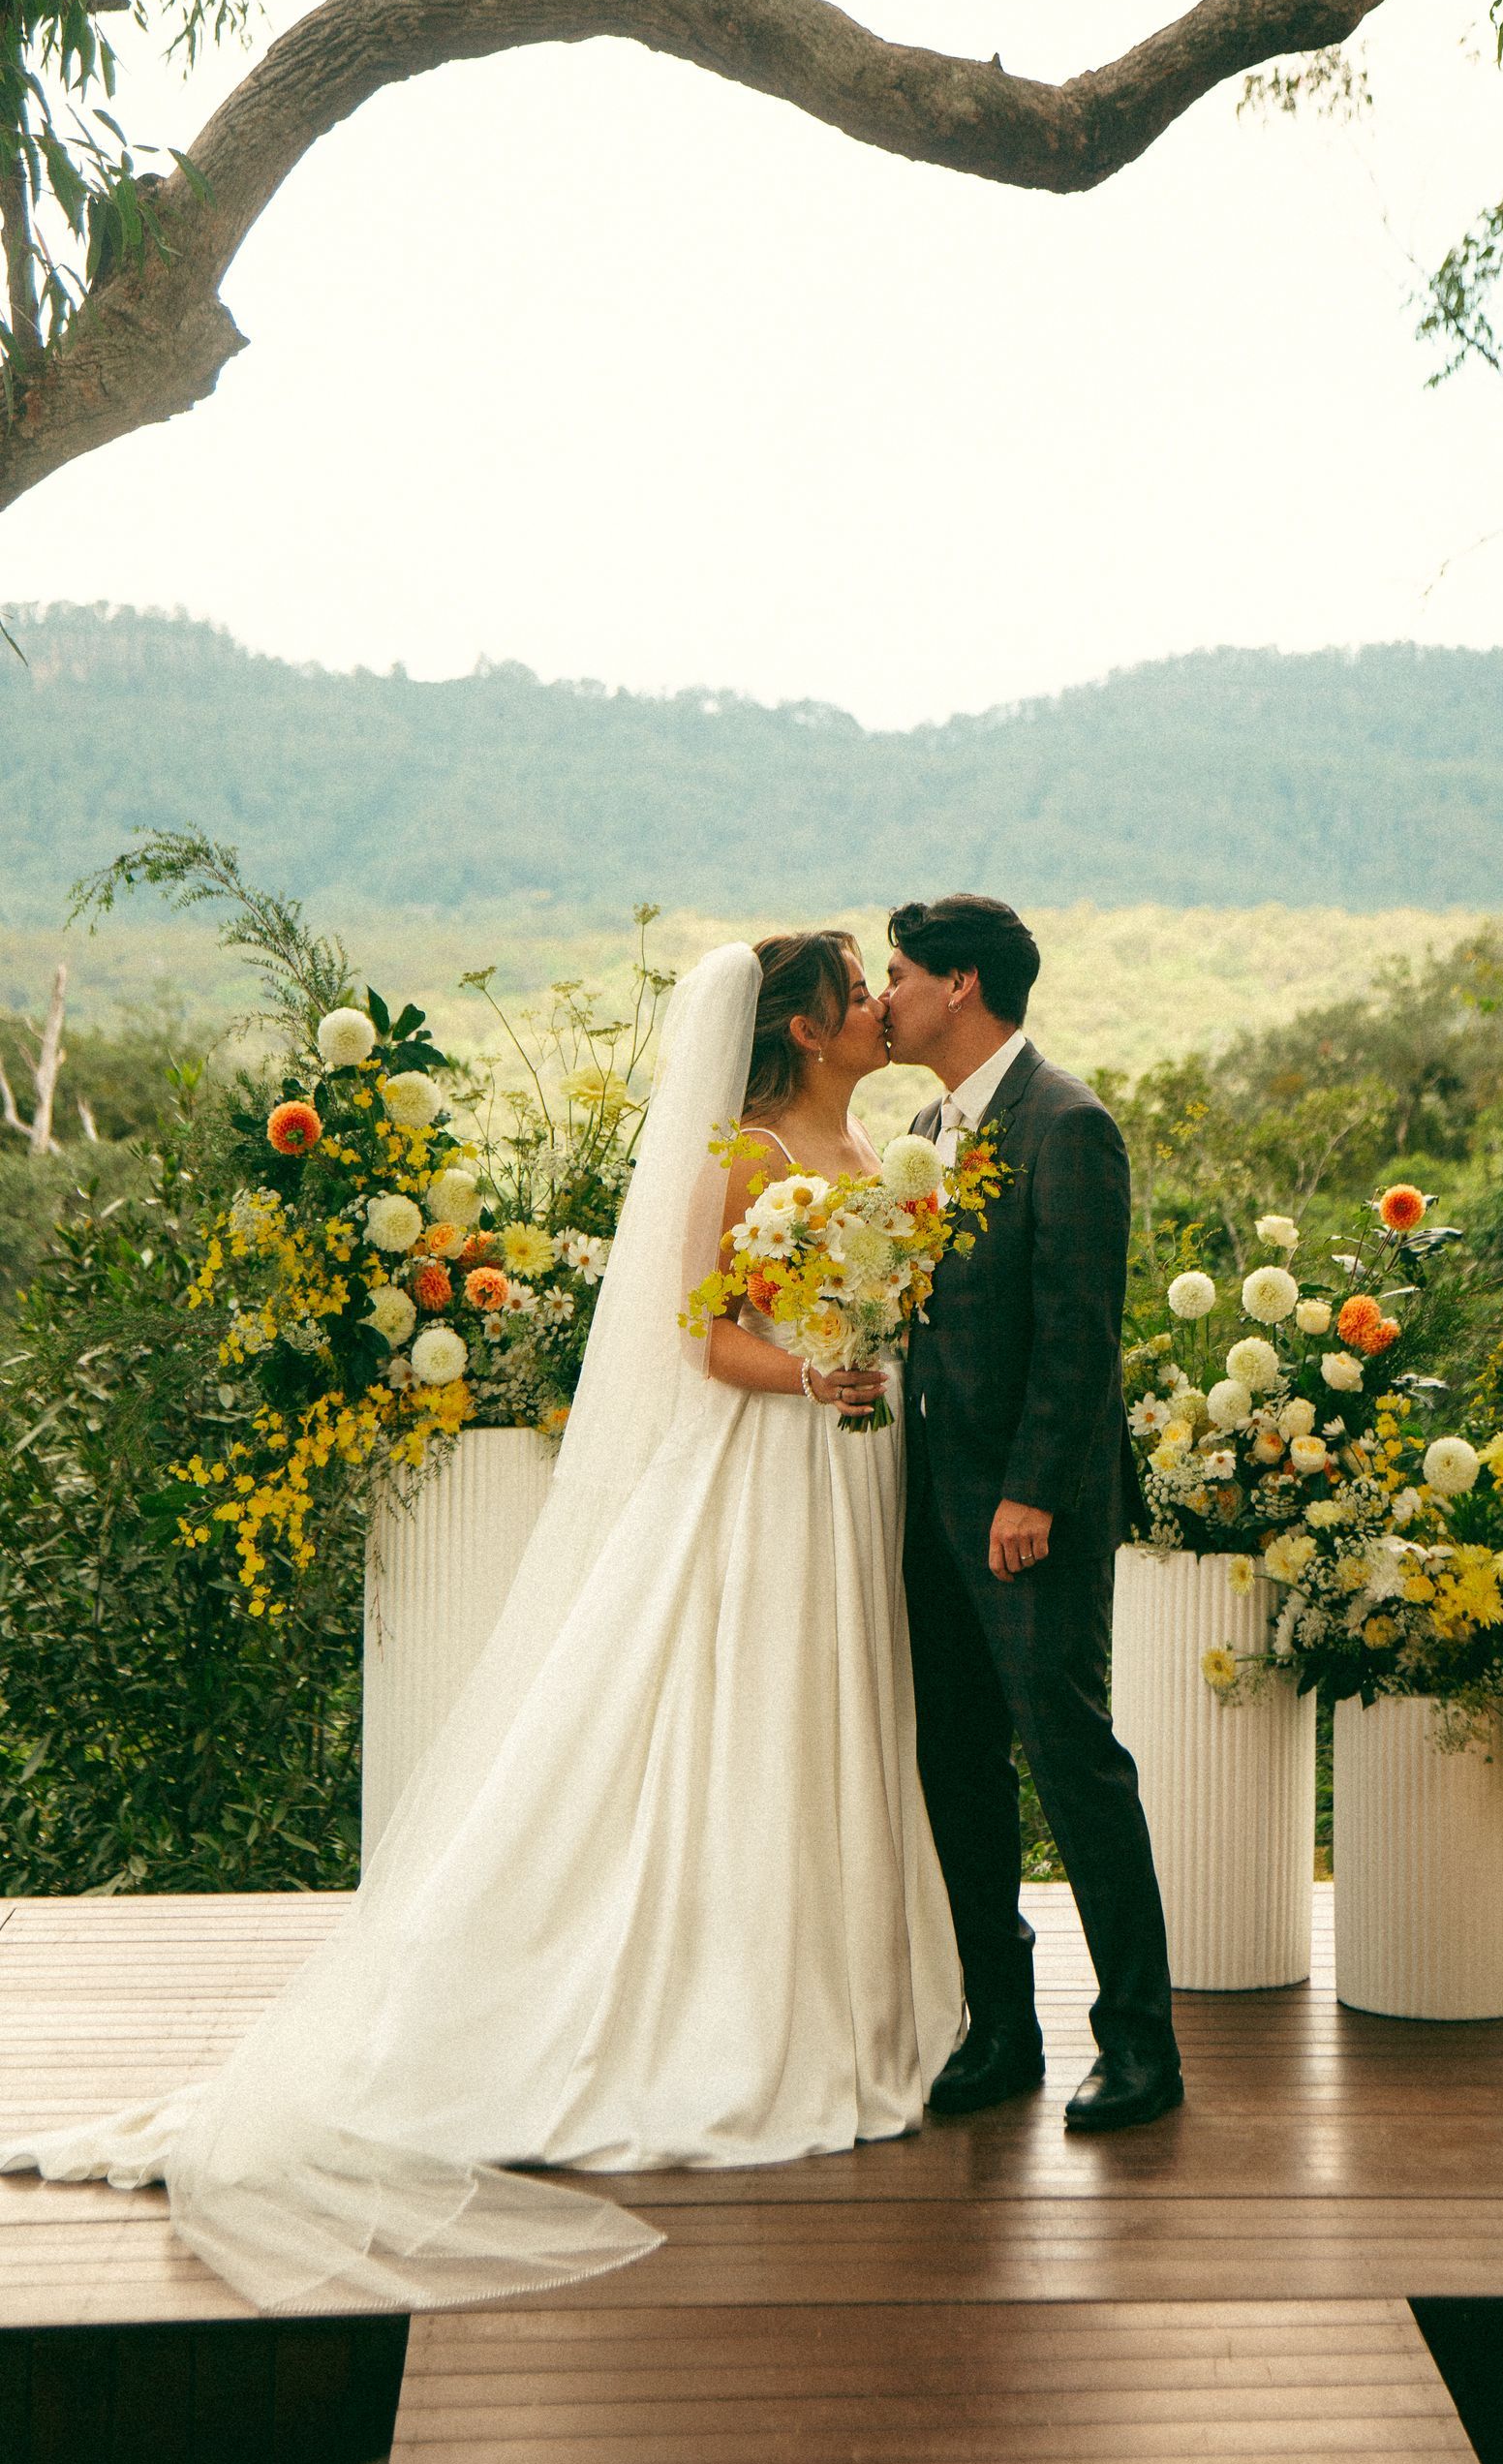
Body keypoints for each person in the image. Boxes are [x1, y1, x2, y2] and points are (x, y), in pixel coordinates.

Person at [1, 937, 962, 2312]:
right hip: (768, 1474)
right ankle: (724, 2011)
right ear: (805, 1032)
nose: (877, 1006)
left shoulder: (876, 1143)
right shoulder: (745, 1156)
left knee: (833, 1716)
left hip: (849, 1477)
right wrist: (817, 1375)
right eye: (855, 992)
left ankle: (847, 1995)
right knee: (754, 1710)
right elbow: (704, 1340)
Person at [882, 894, 1182, 2133]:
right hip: (926, 1512)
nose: (882, 996)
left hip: (1027, 1517)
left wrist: (1028, 1493)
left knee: (1073, 1761)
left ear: (960, 986)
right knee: (954, 1763)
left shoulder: (1069, 1124)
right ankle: (1002, 2028)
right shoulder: (919, 1126)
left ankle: (1143, 2047)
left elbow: (1080, 1331)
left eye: (896, 974)